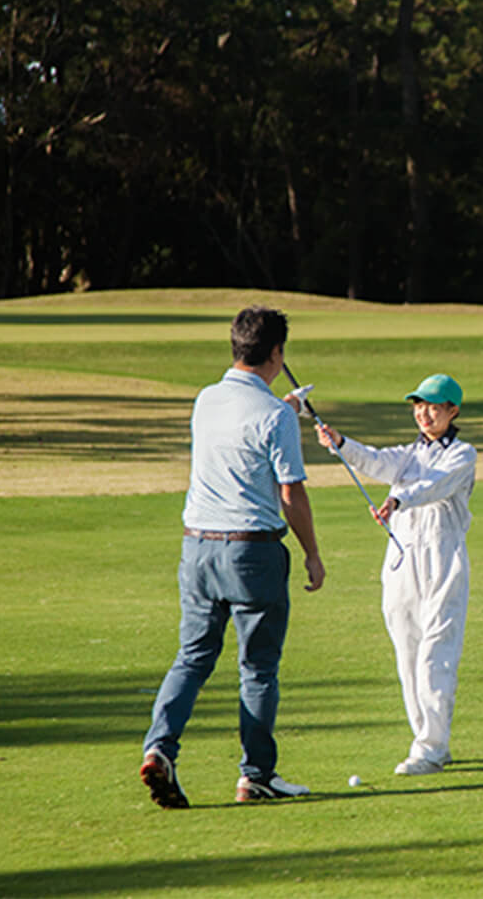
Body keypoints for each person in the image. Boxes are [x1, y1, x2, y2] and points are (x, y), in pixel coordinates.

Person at [140, 306, 326, 808]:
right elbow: (291, 494)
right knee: (259, 668)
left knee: (193, 657)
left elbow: (244, 430)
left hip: (198, 548)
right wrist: (312, 553)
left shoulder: (207, 399)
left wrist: (281, 408)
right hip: (252, 554)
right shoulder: (276, 416)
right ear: (276, 353)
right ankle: (256, 775)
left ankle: (159, 747)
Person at [312, 373, 475, 776]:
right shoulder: (407, 453)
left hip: (442, 561)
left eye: (434, 406)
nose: (424, 413)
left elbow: (434, 486)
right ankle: (428, 740)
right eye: (419, 405)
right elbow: (375, 460)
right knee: (408, 655)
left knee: (435, 657)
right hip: (401, 563)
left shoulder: (463, 454)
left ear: (452, 411)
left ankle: (431, 748)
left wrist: (397, 498)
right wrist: (342, 444)